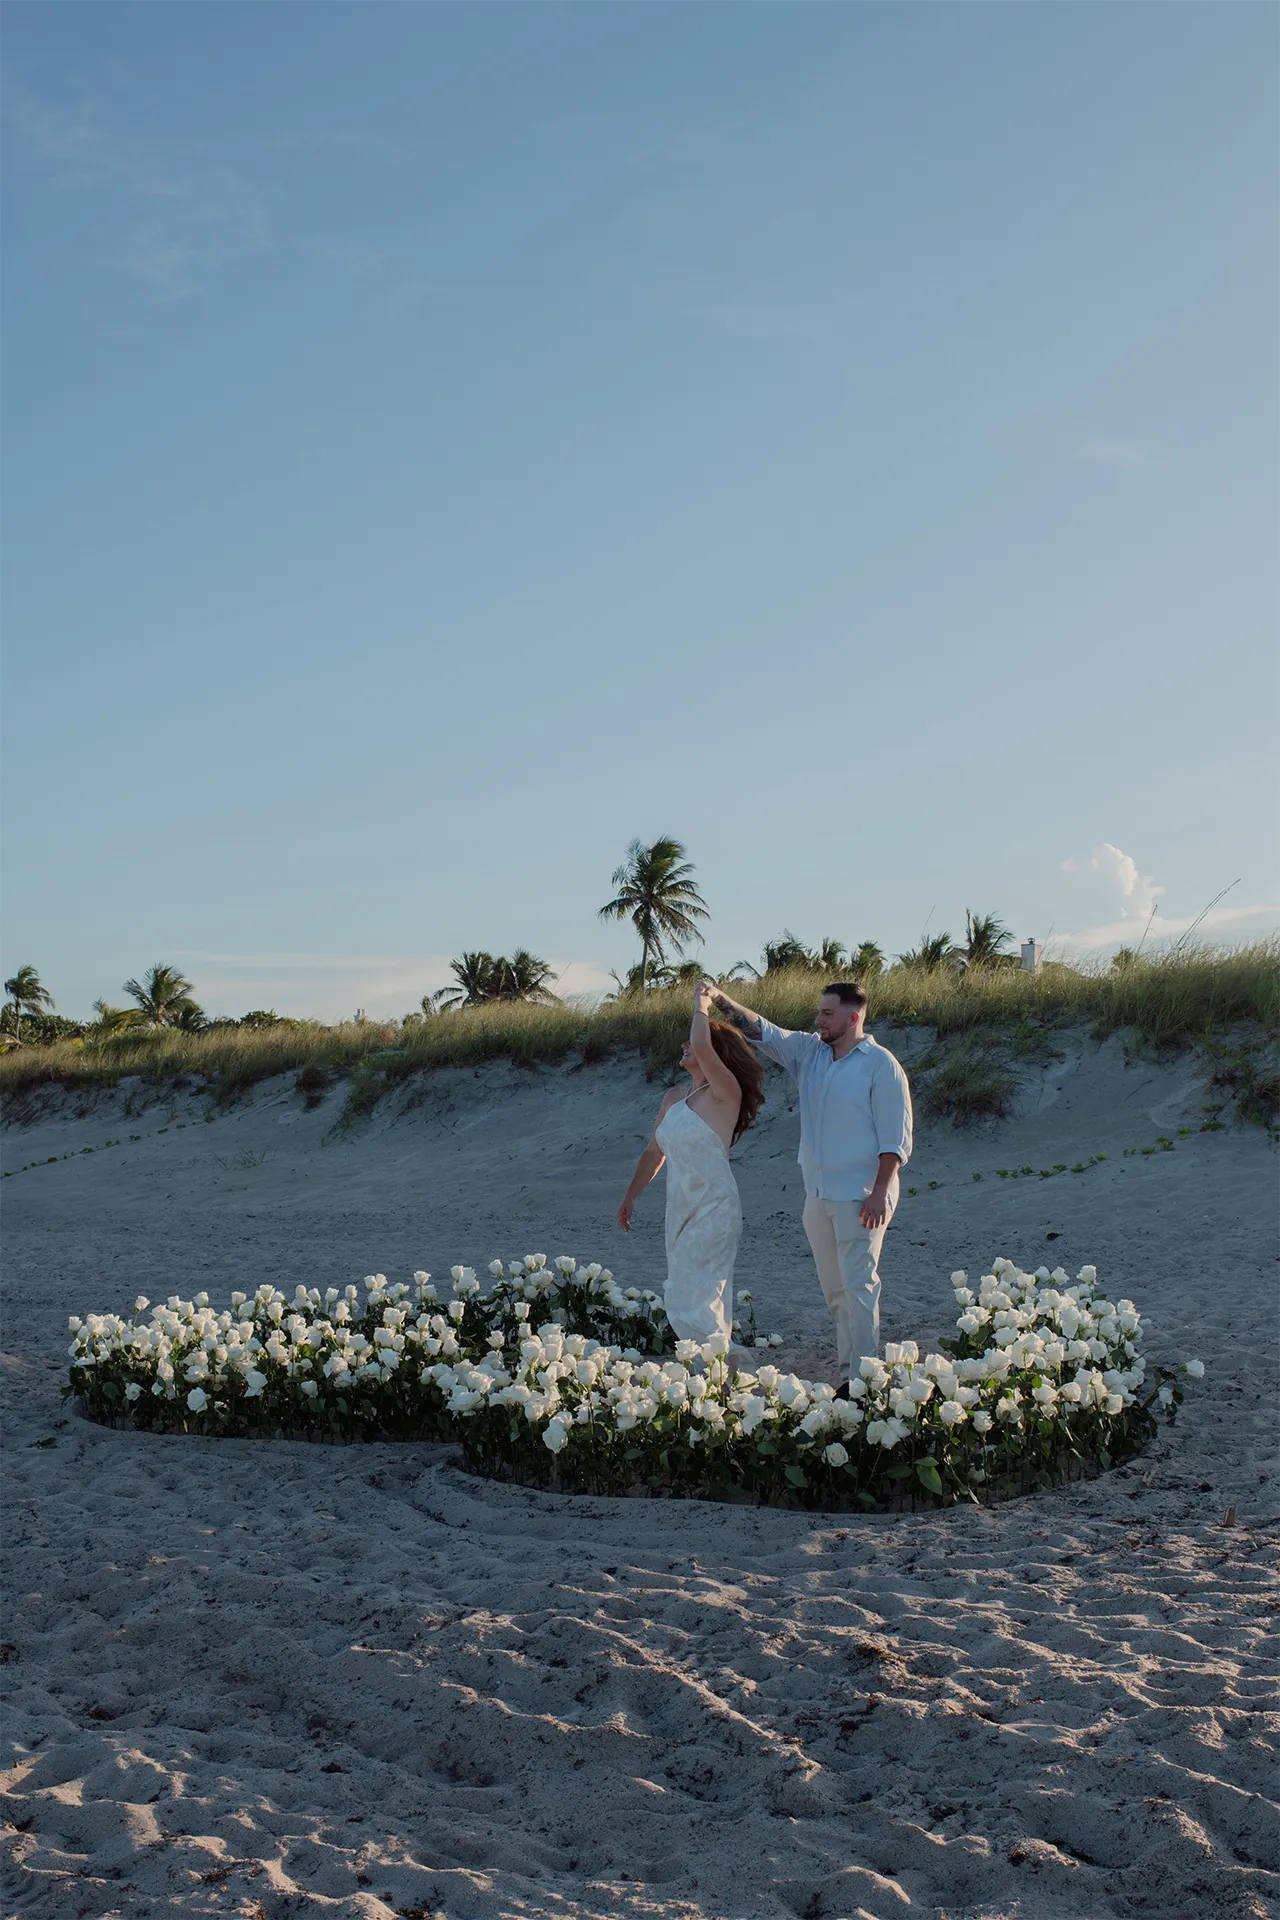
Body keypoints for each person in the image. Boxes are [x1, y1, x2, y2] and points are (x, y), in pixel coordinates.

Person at [703, 978, 912, 1392]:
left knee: (860, 1287)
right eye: (819, 1011)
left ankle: (863, 1380)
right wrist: (719, 999)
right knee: (836, 1293)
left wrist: (877, 1193)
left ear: (853, 1017)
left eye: (827, 1013)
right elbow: (760, 1029)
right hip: (817, 1195)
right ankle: (847, 1373)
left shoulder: (881, 1065)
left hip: (861, 1195)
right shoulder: (810, 1052)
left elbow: (895, 1138)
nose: (819, 1019)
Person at [617, 985, 765, 1347]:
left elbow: (700, 1043)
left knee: (702, 1290)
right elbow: (654, 1154)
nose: (685, 1046)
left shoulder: (724, 1093)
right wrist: (630, 1196)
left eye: (693, 1043)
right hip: (680, 1208)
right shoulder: (672, 1098)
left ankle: (719, 1369)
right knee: (683, 1290)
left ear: (713, 1052)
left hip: (715, 1206)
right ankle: (712, 1371)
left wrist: (702, 1003)